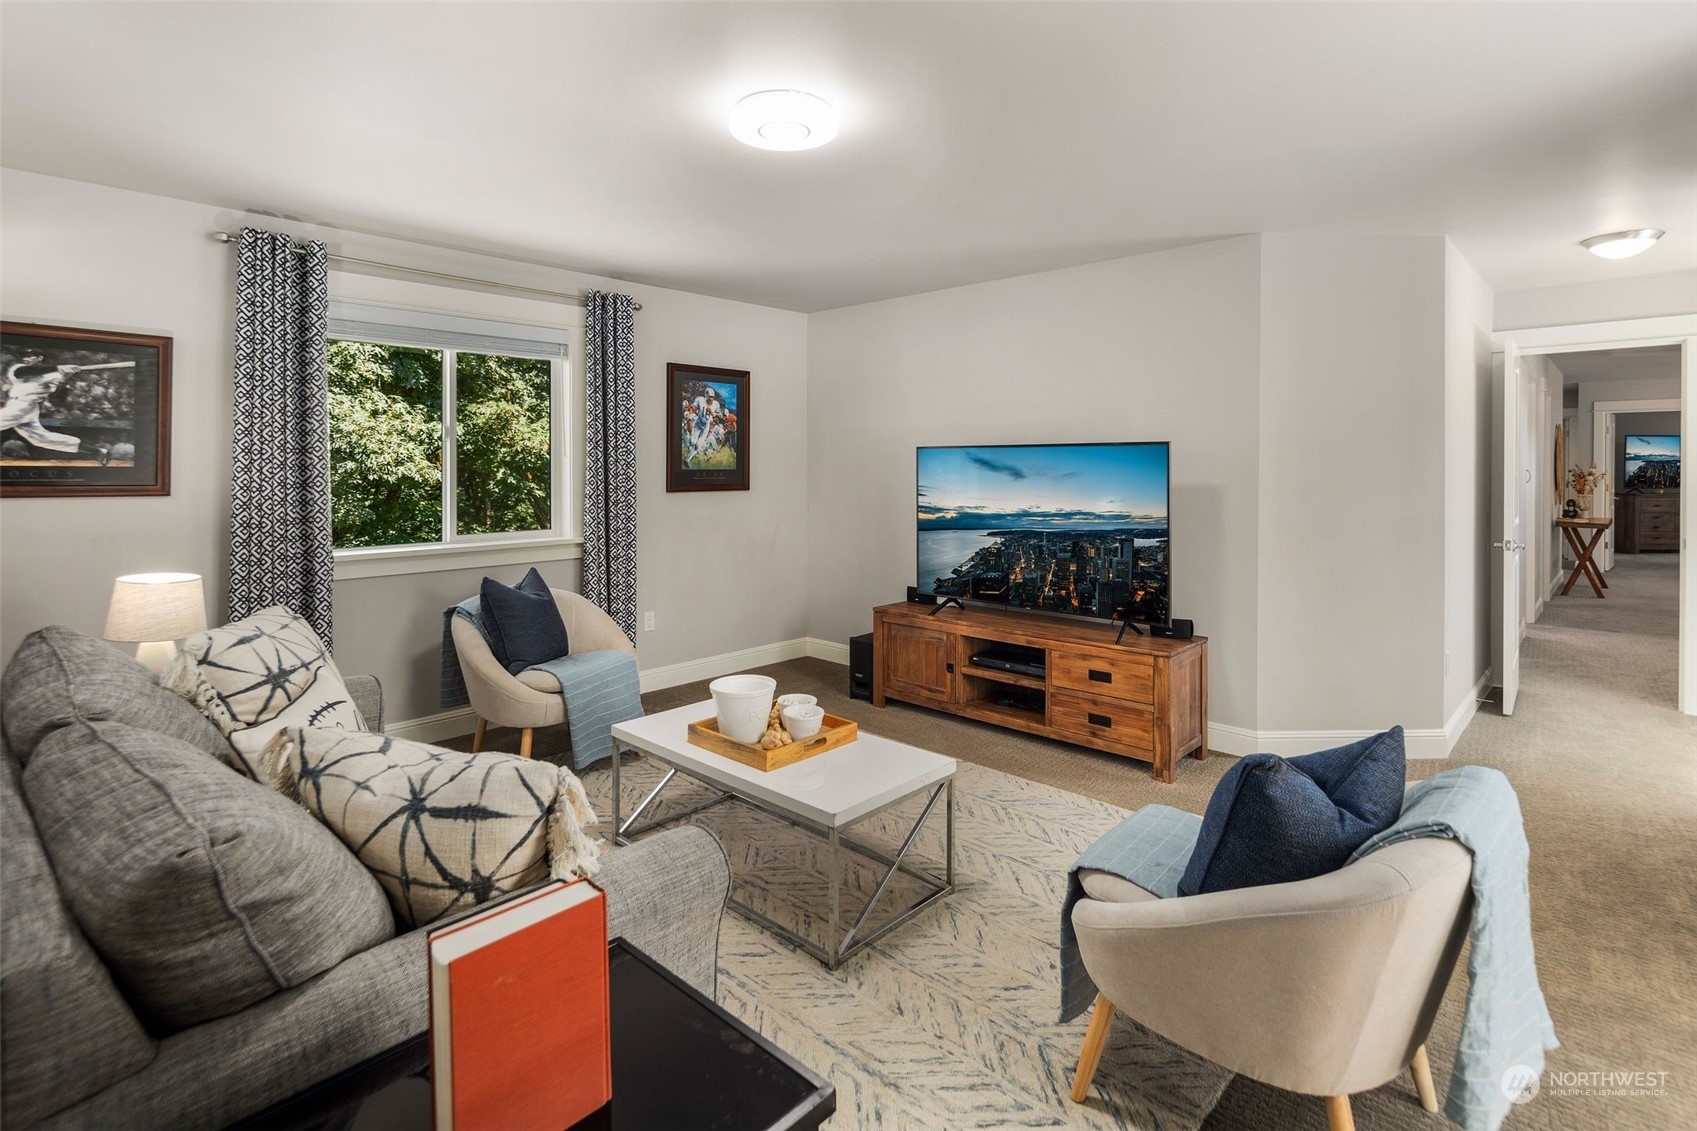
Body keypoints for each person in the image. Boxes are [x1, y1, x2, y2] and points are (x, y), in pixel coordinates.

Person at [1, 360, 112, 464]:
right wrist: (58, 367)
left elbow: (57, 398)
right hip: (16, 405)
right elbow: (23, 372)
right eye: (26, 356)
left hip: (24, 405)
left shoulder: (54, 376)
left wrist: (65, 378)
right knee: (41, 439)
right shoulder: (19, 368)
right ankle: (97, 451)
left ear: (40, 358)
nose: (27, 358)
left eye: (31, 356)